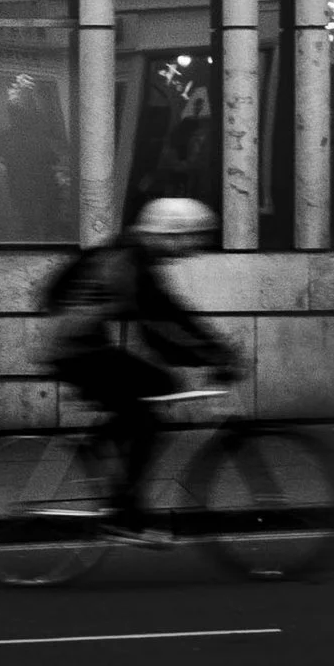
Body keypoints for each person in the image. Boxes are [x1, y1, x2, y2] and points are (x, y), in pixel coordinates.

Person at [38, 193, 242, 528]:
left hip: (78, 347)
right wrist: (214, 356)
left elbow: (169, 312)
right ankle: (126, 510)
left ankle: (101, 443)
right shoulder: (128, 262)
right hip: (76, 352)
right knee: (148, 414)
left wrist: (212, 349)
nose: (191, 250)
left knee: (153, 390)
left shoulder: (126, 255)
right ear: (170, 235)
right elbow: (157, 326)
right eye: (190, 240)